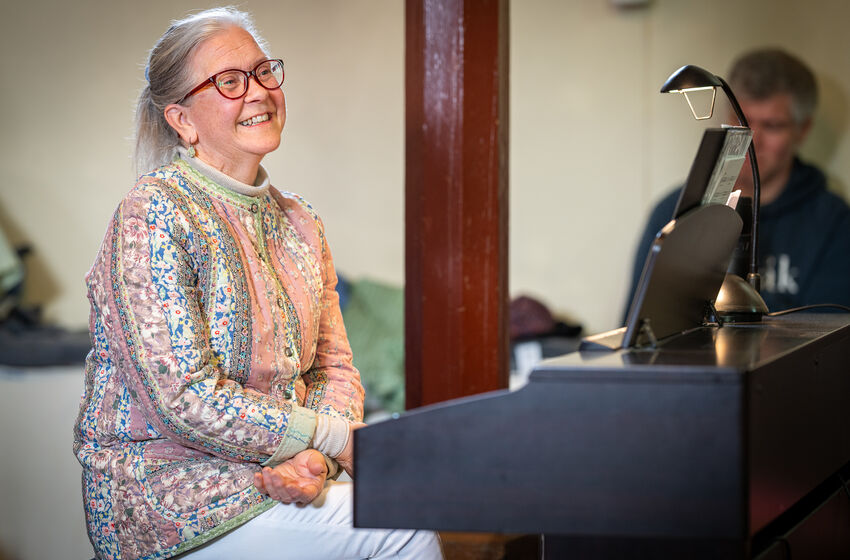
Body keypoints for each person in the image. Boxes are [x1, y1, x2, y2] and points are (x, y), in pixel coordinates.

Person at [73, 8, 442, 560]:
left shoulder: (300, 221)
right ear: (182, 119)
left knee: (414, 500)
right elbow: (181, 397)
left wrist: (315, 460)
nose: (258, 91)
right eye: (229, 81)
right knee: (404, 523)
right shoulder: (152, 212)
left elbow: (334, 369)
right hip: (169, 496)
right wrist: (332, 438)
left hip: (283, 474)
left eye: (264, 71)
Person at [625, 48, 850, 318]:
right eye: (740, 119)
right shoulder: (674, 211)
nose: (752, 139)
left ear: (802, 130)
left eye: (772, 125)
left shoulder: (834, 223)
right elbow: (636, 324)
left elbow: (830, 332)